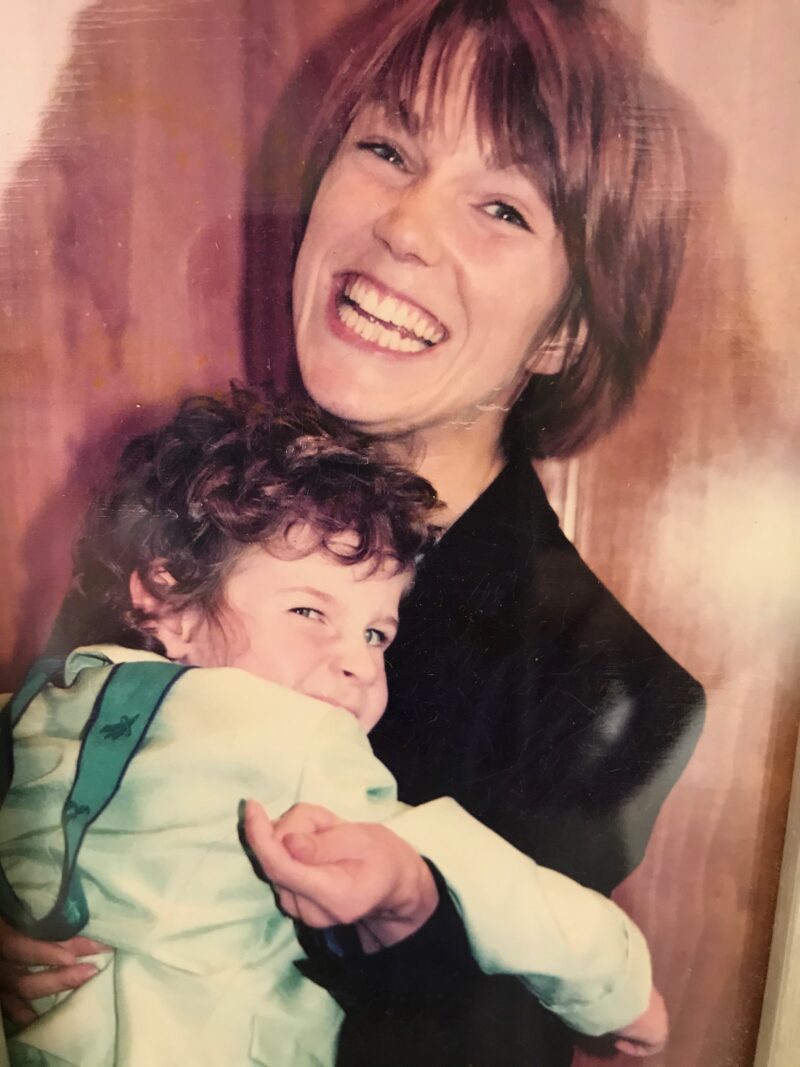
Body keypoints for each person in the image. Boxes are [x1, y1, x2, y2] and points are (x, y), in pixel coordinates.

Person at [0, 2, 705, 1064]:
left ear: (564, 329)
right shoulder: (183, 510)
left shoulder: (603, 687)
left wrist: (412, 906)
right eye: (384, 148)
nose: (405, 226)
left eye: (503, 208)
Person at [0, 391, 664, 1065]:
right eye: (310, 613)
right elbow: (474, 866)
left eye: (376, 632)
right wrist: (618, 979)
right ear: (168, 599)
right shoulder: (295, 737)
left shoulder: (45, 702)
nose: (357, 664)